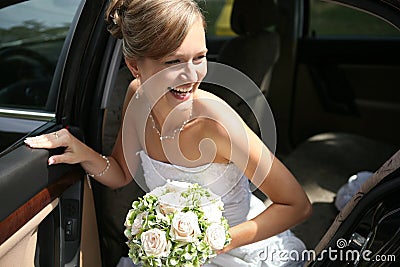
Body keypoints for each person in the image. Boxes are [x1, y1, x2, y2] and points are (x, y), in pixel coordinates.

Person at [24, 0, 312, 266]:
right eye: (173, 62)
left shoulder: (217, 123)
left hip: (237, 251)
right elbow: (122, 173)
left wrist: (208, 243)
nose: (191, 76)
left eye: (199, 57)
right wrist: (83, 153)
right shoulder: (137, 96)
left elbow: (296, 205)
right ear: (135, 66)